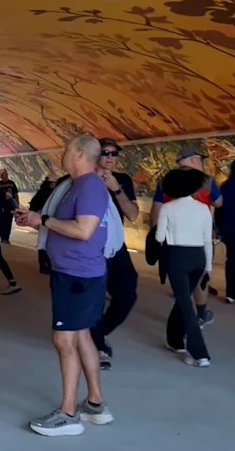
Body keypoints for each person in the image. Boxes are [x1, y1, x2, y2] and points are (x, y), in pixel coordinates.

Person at [17, 135, 113, 437]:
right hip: (74, 273)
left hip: (77, 276)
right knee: (81, 336)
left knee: (64, 340)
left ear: (80, 154)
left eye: (68, 149)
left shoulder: (90, 186)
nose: (63, 153)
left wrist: (43, 220)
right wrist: (37, 220)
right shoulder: (77, 185)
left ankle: (69, 413)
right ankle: (95, 403)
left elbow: (83, 230)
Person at [150, 145, 223, 327]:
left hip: (173, 240)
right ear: (193, 159)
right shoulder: (206, 181)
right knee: (201, 278)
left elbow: (156, 210)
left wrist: (156, 240)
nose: (202, 163)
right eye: (200, 160)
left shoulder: (165, 181)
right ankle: (200, 315)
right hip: (199, 240)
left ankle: (182, 313)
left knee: (180, 278)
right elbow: (219, 202)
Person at [90, 138, 139, 370]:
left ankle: (96, 333)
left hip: (116, 246)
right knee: (95, 298)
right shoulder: (83, 178)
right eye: (105, 152)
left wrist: (116, 188)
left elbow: (133, 214)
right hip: (91, 246)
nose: (110, 157)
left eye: (114, 153)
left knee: (127, 294)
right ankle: (97, 346)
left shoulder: (123, 180)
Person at [157, 167, 213, 367]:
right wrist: (208, 267)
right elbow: (207, 240)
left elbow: (159, 237)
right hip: (199, 257)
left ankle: (200, 354)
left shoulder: (167, 208)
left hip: (178, 257)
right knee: (183, 298)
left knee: (185, 304)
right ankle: (174, 340)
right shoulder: (203, 208)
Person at [220, 162, 235, 304]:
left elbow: (219, 210)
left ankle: (231, 293)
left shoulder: (225, 186)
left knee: (231, 261)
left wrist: (220, 230)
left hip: (229, 230)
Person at [0, 169, 20, 244]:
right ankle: (2, 237)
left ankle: (6, 238)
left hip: (10, 206)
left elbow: (15, 194)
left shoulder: (11, 183)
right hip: (1, 206)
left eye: (7, 174)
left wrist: (17, 205)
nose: (6, 175)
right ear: (1, 176)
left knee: (8, 222)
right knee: (1, 222)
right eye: (5, 174)